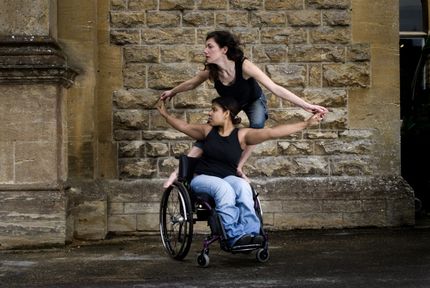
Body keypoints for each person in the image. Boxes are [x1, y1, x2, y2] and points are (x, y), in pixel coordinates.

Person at [160, 30, 328, 187]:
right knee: (210, 132)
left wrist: (307, 106)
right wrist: (172, 92)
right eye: (205, 47)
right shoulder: (212, 71)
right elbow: (192, 83)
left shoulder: (243, 65)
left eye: (210, 46)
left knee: (257, 123)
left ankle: (238, 167)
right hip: (233, 103)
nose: (205, 51)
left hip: (252, 100)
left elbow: (275, 88)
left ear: (224, 49)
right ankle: (178, 172)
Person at [157, 96, 324, 247]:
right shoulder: (206, 131)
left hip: (228, 178)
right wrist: (165, 115)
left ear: (226, 113)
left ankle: (251, 234)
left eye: (214, 110)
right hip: (202, 179)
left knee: (243, 187)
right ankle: (233, 236)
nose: (210, 113)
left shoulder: (242, 135)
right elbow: (183, 126)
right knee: (223, 187)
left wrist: (306, 124)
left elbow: (271, 132)